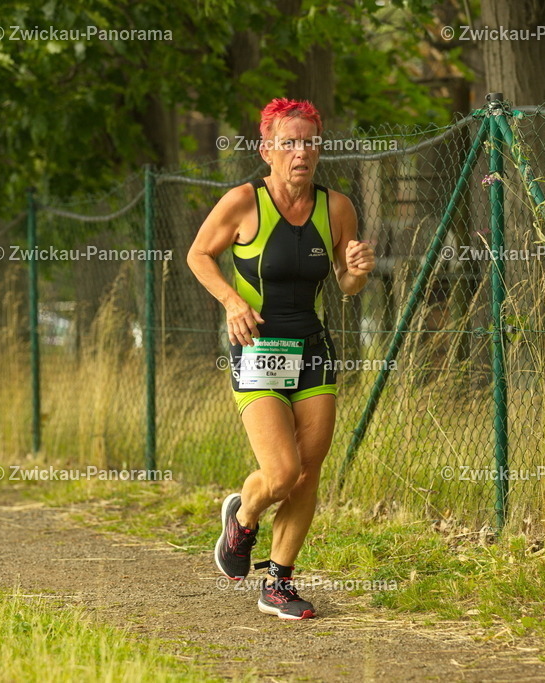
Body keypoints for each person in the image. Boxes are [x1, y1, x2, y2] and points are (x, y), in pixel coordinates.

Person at [186, 98, 375, 620]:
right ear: (266, 148)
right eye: (289, 142)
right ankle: (243, 519)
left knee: (308, 473)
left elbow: (347, 283)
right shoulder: (243, 202)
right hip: (257, 351)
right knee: (282, 470)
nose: (302, 152)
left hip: (312, 351)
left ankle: (279, 583)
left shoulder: (336, 207)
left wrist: (357, 268)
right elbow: (198, 255)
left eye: (311, 141)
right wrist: (232, 301)